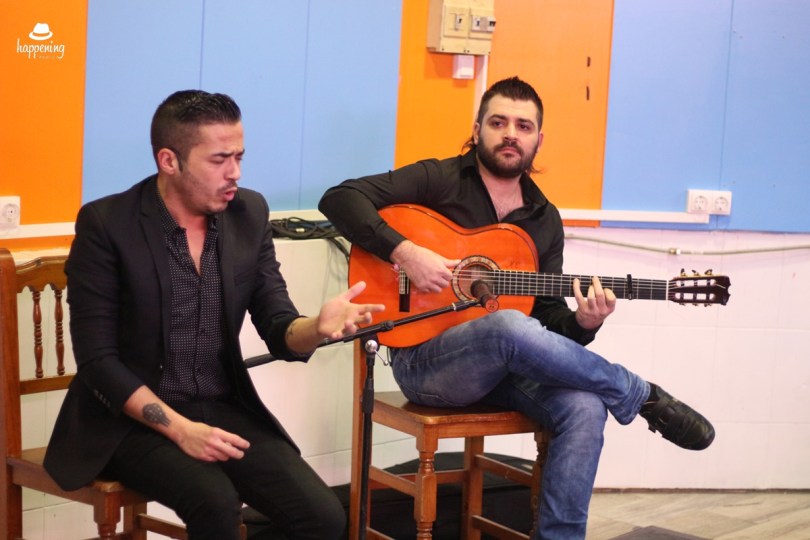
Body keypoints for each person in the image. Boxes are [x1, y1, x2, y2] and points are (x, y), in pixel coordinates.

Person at [318, 76, 715, 539]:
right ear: (477, 129)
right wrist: (405, 252)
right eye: (498, 122)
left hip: (507, 372)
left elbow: (544, 317)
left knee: (586, 407)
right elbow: (339, 198)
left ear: (538, 139)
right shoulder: (439, 180)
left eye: (523, 126)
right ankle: (637, 392)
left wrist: (583, 323)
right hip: (426, 365)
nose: (511, 134)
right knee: (506, 324)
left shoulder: (543, 217)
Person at [43, 90, 384, 540]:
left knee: (322, 517)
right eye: (219, 160)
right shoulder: (108, 224)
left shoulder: (248, 213)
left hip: (220, 406)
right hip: (125, 419)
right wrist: (181, 430)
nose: (235, 173)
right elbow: (97, 362)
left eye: (239, 157)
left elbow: (278, 324)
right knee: (216, 503)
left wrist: (316, 330)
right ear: (169, 160)